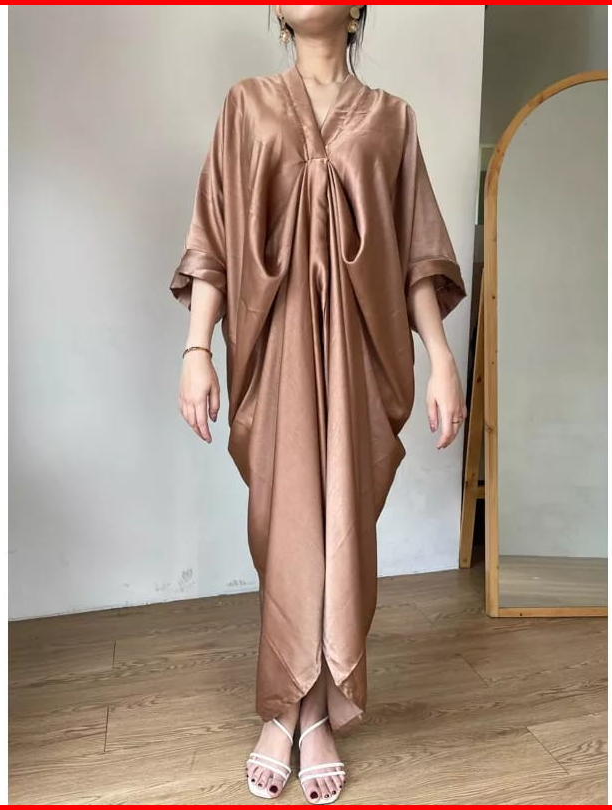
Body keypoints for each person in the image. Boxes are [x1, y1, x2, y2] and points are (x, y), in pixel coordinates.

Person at [170, 6, 467, 803]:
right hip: (273, 354)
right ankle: (291, 705)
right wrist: (197, 348)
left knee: (343, 525)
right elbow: (215, 236)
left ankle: (313, 709)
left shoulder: (392, 120)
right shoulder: (246, 105)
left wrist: (441, 358)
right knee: (288, 522)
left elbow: (415, 252)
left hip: (362, 360)